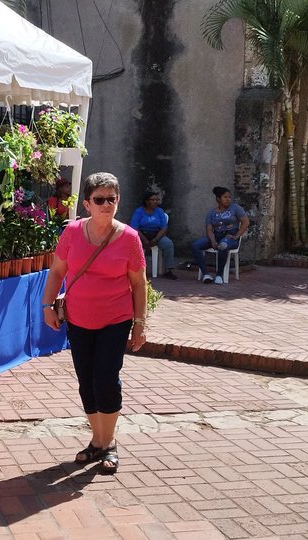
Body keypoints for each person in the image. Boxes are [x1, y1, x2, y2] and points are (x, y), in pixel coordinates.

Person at [41, 172, 147, 474]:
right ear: (87, 203)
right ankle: (98, 441)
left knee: (106, 377)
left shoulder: (129, 238)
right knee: (86, 380)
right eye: (99, 199)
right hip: (78, 319)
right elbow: (57, 272)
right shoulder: (73, 233)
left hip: (115, 319)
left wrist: (139, 323)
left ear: (118, 201)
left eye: (111, 199)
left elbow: (139, 284)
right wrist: (48, 305)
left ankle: (109, 442)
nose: (106, 204)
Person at [192, 186, 250, 284]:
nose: (228, 199)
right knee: (196, 245)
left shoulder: (235, 208)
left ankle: (219, 275)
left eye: (229, 197)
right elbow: (209, 229)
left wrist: (236, 236)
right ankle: (206, 274)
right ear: (218, 199)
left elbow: (246, 222)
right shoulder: (211, 213)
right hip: (216, 236)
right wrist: (213, 241)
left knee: (223, 246)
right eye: (225, 197)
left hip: (230, 237)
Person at [130, 191, 177, 279]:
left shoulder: (159, 211)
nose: (156, 202)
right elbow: (134, 228)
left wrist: (156, 239)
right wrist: (144, 240)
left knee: (168, 244)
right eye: (153, 200)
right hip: (141, 234)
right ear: (147, 201)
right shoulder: (139, 211)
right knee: (134, 245)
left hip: (157, 234)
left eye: (157, 200)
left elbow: (164, 227)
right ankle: (138, 270)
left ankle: (168, 270)